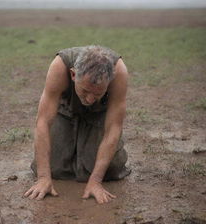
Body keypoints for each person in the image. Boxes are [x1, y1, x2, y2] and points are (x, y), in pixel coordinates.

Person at [24, 45, 130, 204]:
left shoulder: (119, 72)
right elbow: (43, 122)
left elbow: (113, 128)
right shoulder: (60, 66)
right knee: (54, 169)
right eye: (85, 90)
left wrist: (96, 181)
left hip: (100, 114)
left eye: (98, 93)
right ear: (73, 74)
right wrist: (43, 177)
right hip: (65, 110)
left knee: (112, 170)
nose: (89, 99)